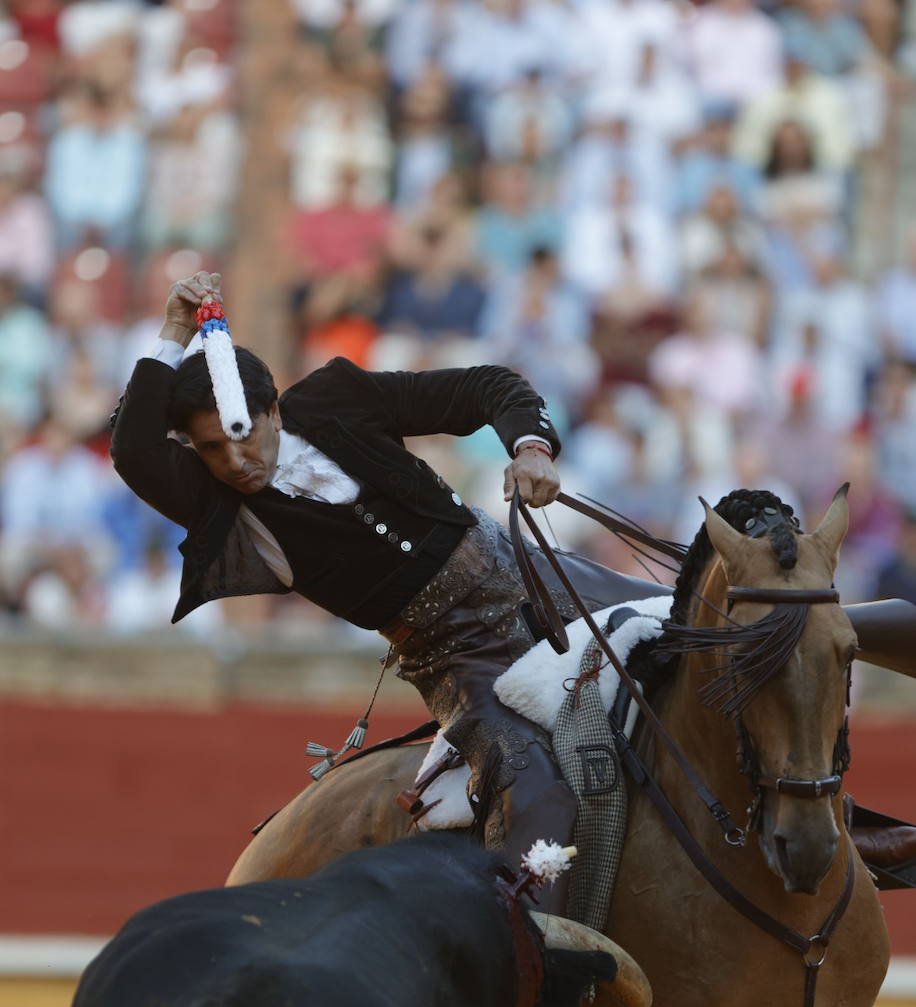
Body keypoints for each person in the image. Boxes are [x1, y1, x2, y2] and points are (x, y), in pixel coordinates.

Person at [111, 270, 659, 880]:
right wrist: (173, 332)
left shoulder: (332, 398)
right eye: (210, 449)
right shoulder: (218, 504)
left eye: (242, 436)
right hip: (461, 658)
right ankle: (548, 963)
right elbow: (133, 451)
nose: (235, 462)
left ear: (270, 410)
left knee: (689, 623)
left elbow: (484, 387)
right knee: (535, 793)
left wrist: (530, 448)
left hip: (537, 577)